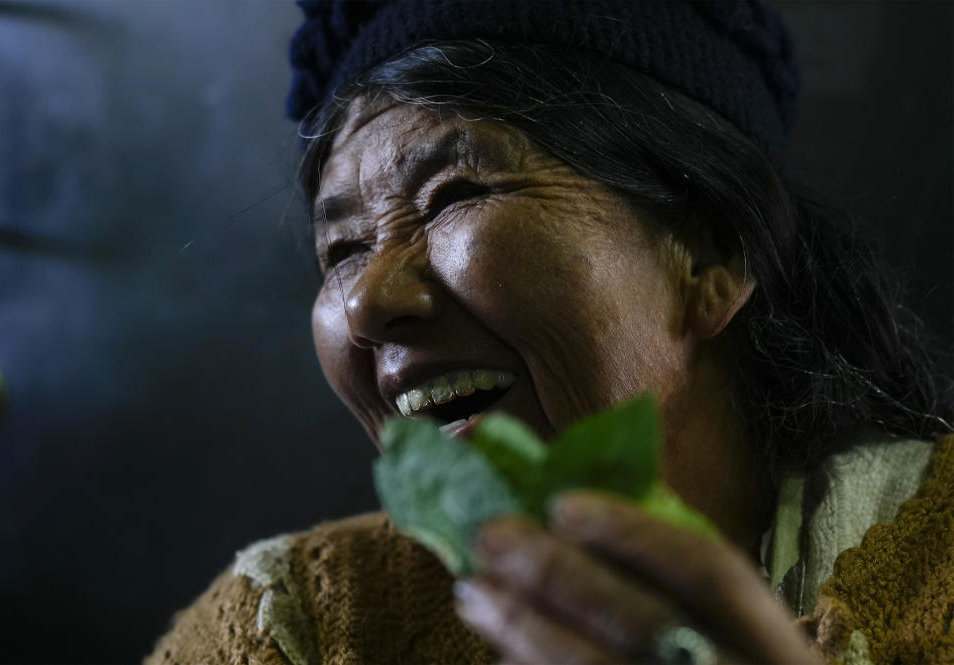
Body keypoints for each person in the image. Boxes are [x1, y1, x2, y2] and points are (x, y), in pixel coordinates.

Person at [144, 1, 954, 663]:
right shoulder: (292, 628)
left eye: (453, 194)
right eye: (344, 249)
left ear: (712, 253)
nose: (365, 304)